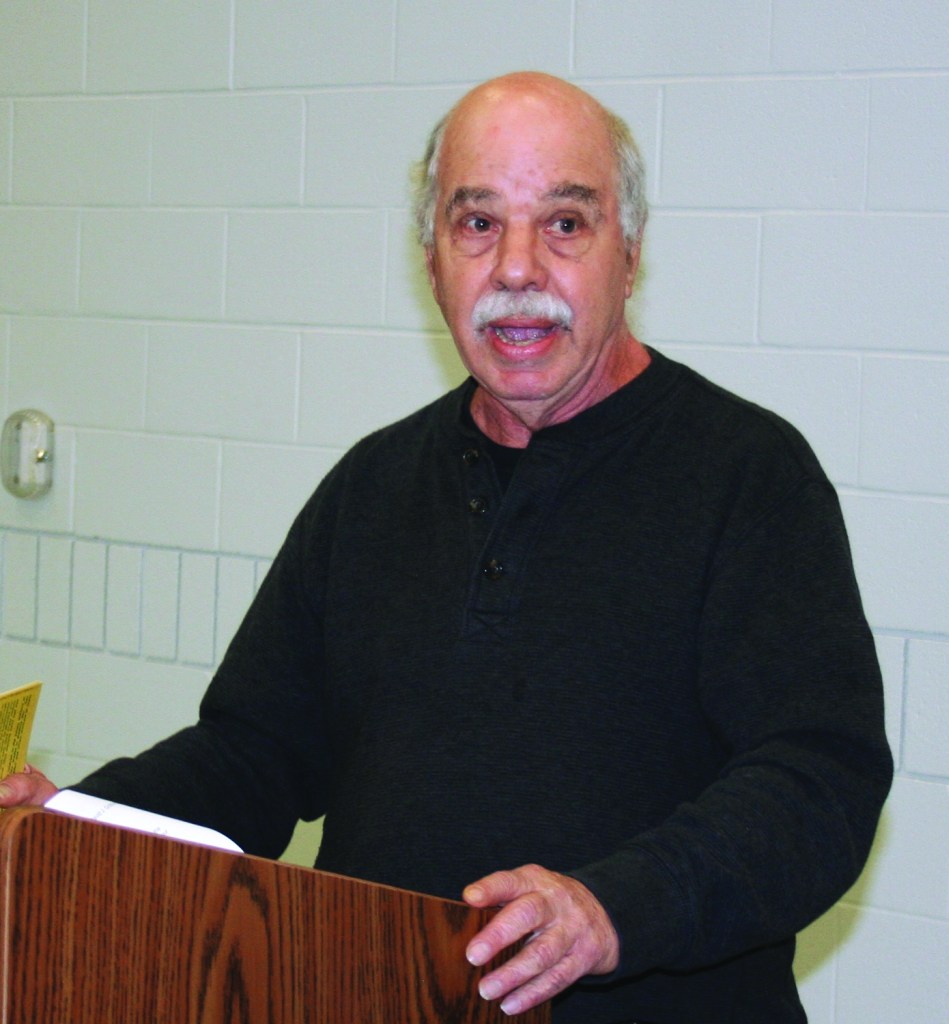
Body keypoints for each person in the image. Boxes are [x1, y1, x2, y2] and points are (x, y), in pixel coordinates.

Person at [0, 72, 892, 1022]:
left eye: (564, 223)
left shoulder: (749, 476)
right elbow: (253, 755)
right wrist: (76, 829)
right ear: (430, 259)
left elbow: (818, 781)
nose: (515, 268)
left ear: (628, 254)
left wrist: (609, 909)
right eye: (476, 224)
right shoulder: (372, 486)